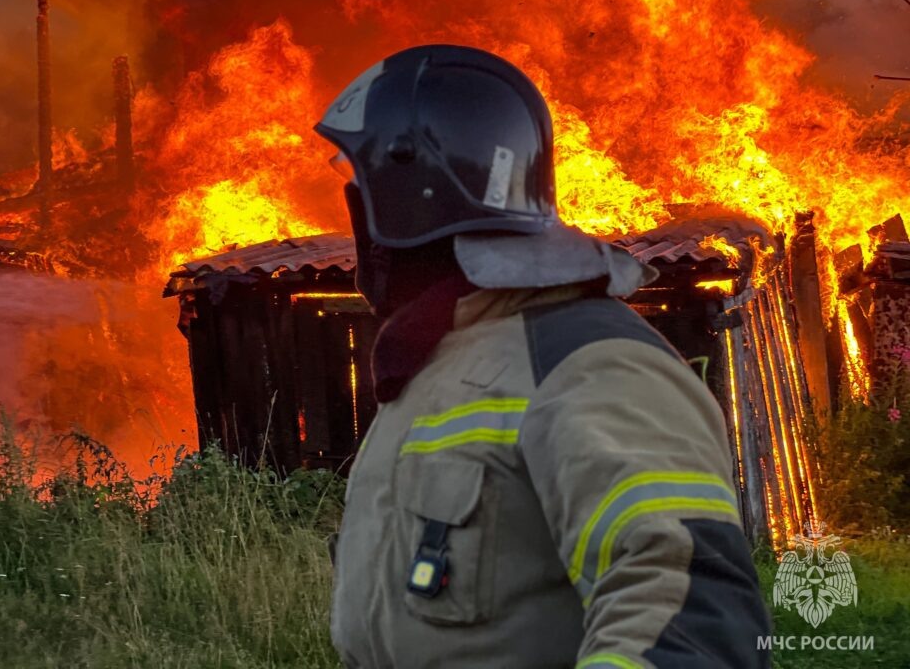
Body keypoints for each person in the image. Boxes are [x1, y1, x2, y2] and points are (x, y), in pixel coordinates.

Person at [314, 45, 770, 668]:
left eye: (361, 183)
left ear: (409, 194)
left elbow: (687, 617)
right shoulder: (442, 366)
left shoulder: (591, 364)